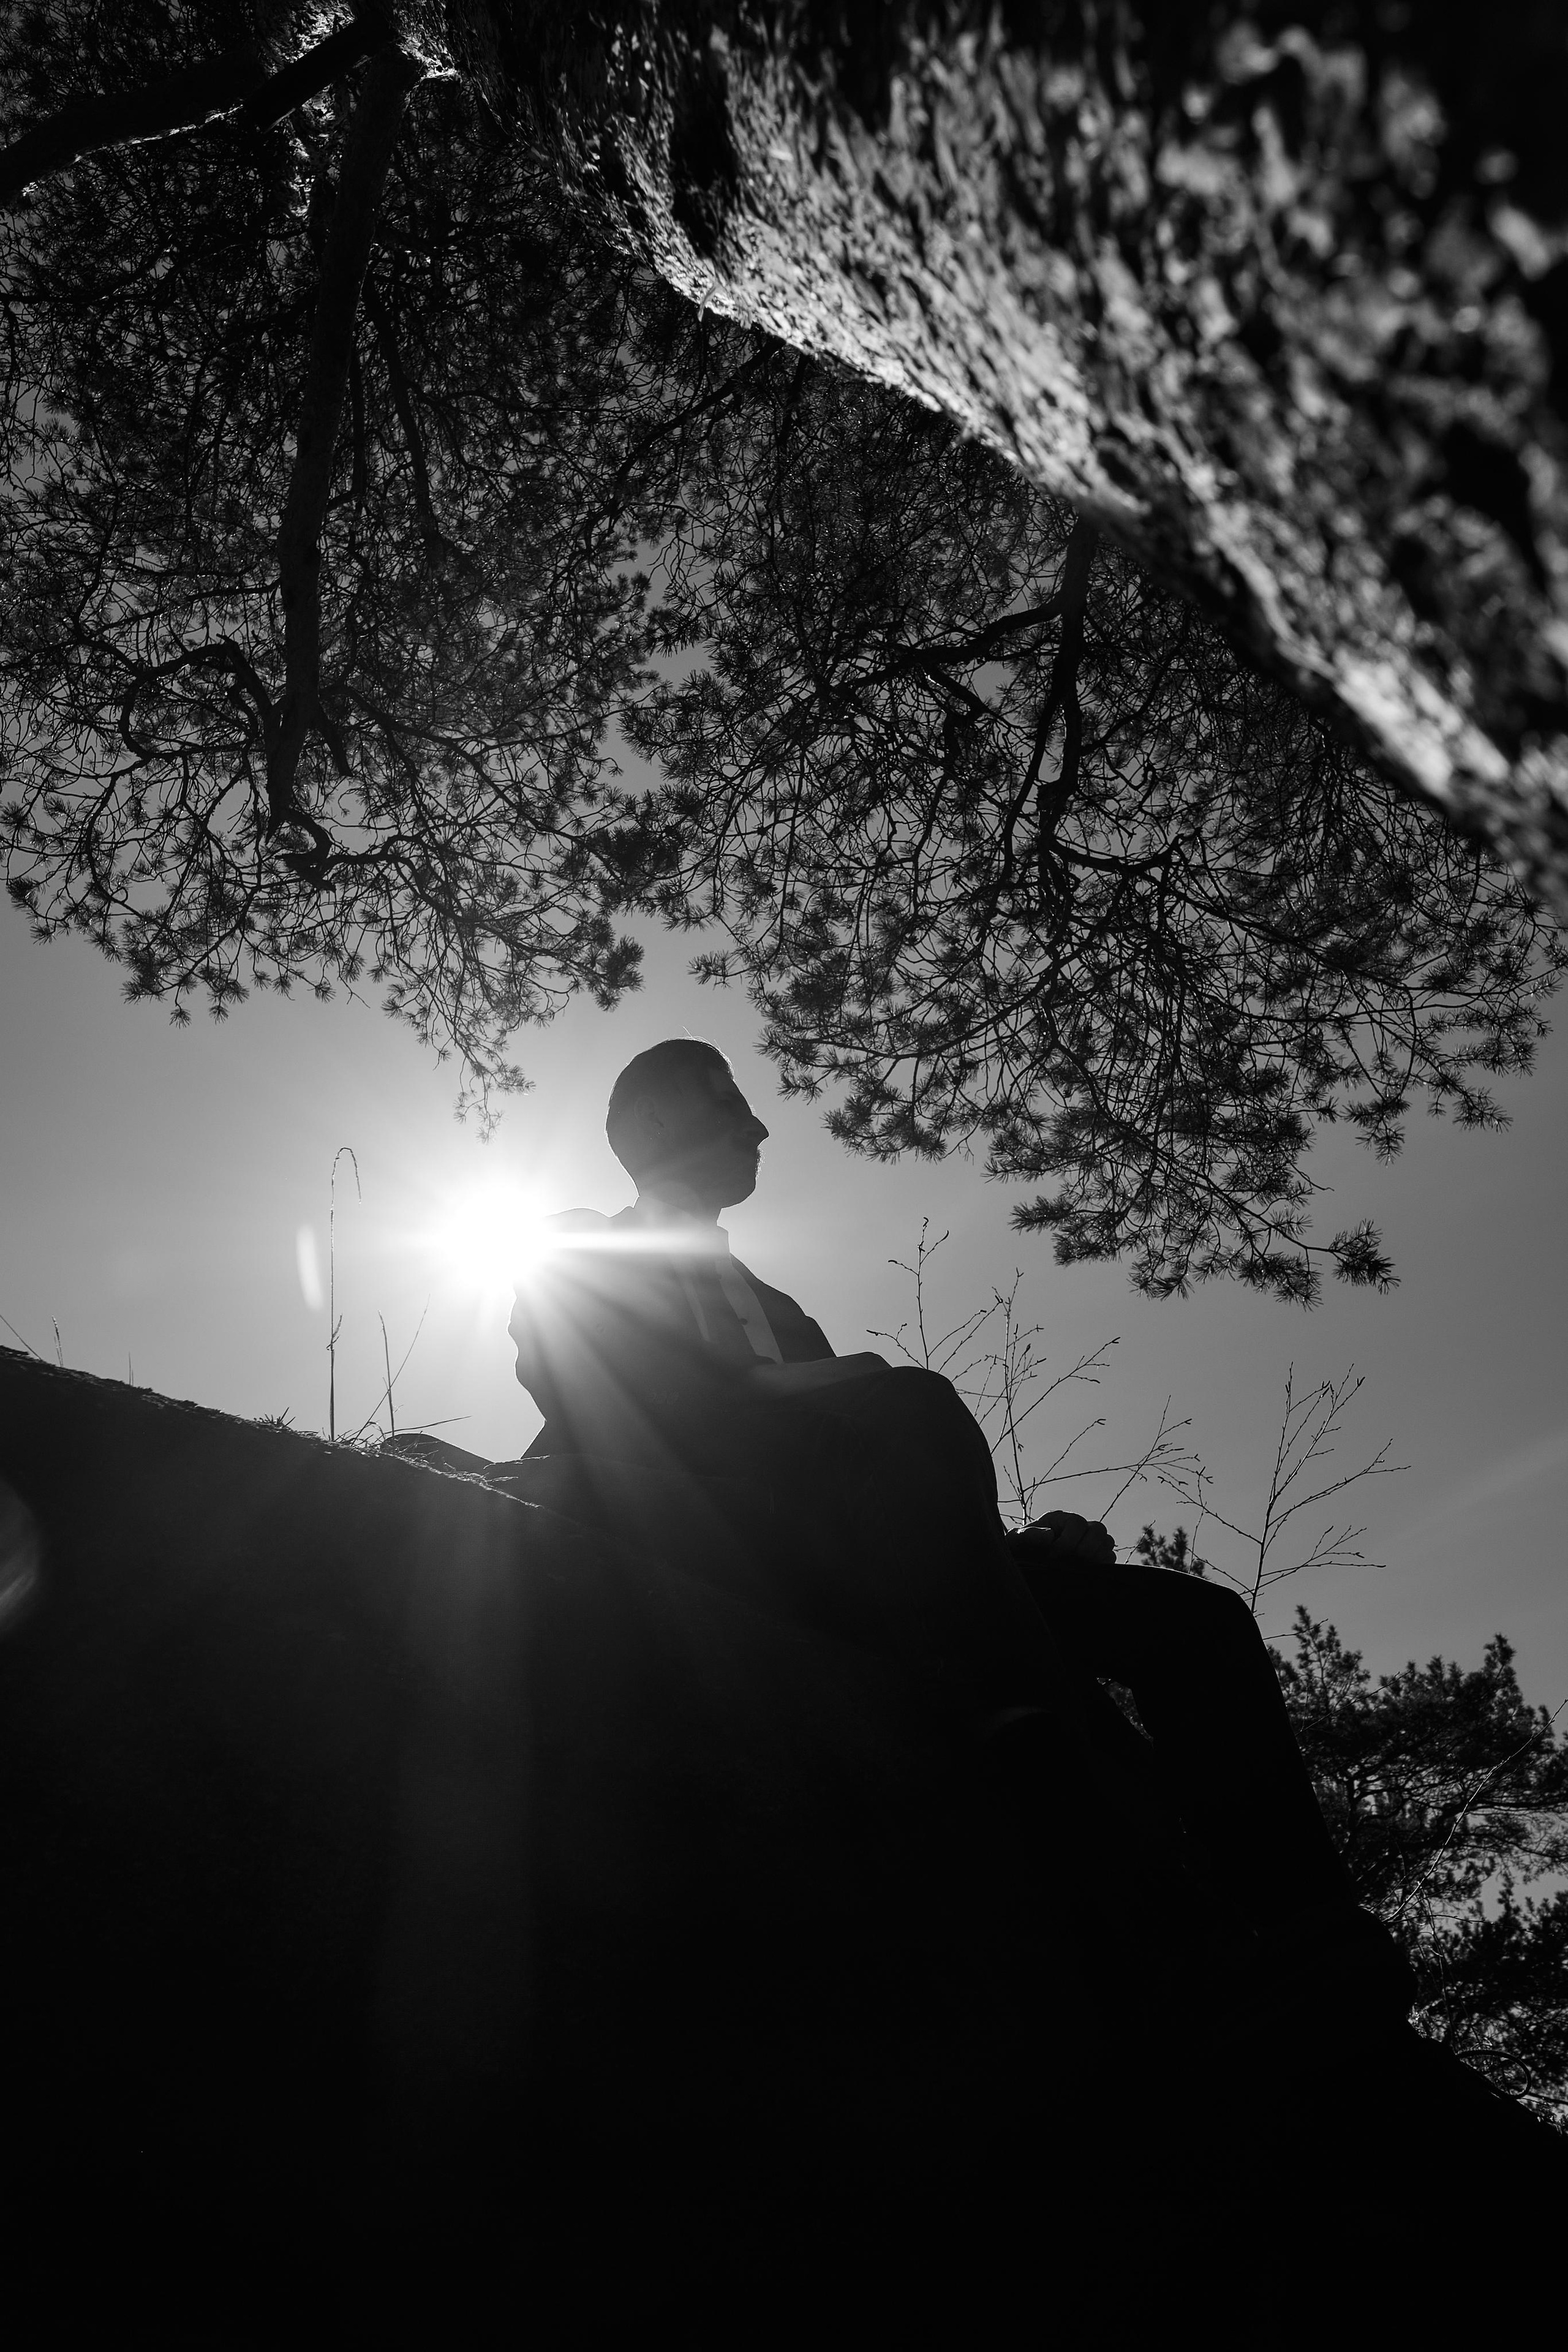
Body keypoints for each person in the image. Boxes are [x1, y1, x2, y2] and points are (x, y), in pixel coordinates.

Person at [508, 1039, 1409, 2006]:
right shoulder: (580, 1246)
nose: (759, 1125)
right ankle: (1024, 1746)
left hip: (897, 1553)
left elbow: (880, 1461)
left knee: (1199, 1625)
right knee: (913, 1398)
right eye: (726, 1102)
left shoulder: (780, 1310)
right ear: (647, 1124)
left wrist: (1015, 1540)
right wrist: (823, 1386)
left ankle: (1311, 1928)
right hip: (723, 1535)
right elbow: (616, 1396)